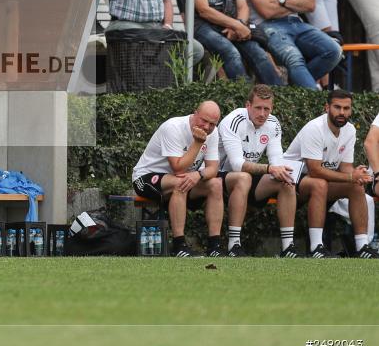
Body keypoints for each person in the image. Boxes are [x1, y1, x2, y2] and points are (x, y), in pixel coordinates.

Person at [283, 90, 378, 258]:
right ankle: (316, 248)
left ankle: (362, 247)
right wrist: (349, 177)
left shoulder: (349, 130)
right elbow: (314, 170)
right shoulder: (315, 128)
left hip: (318, 181)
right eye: (337, 107)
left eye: (346, 108)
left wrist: (357, 175)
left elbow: (345, 167)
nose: (342, 112)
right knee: (319, 184)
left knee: (356, 187)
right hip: (290, 179)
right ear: (327, 107)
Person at [131, 101, 224, 257]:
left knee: (215, 184)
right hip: (145, 177)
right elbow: (178, 168)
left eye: (212, 124)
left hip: (182, 178)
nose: (207, 127)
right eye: (204, 120)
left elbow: (213, 169)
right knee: (180, 182)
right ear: (195, 113)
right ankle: (179, 246)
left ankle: (214, 246)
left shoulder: (212, 133)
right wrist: (198, 143)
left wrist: (198, 174)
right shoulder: (173, 127)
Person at [217, 85, 296, 257]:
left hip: (248, 177)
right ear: (248, 106)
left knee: (286, 182)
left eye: (266, 109)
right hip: (218, 176)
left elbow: (276, 160)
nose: (262, 114)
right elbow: (237, 164)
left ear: (272, 108)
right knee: (243, 177)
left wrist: (280, 171)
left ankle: (288, 248)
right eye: (258, 108)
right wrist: (270, 168)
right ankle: (234, 246)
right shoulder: (234, 120)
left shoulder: (273, 123)